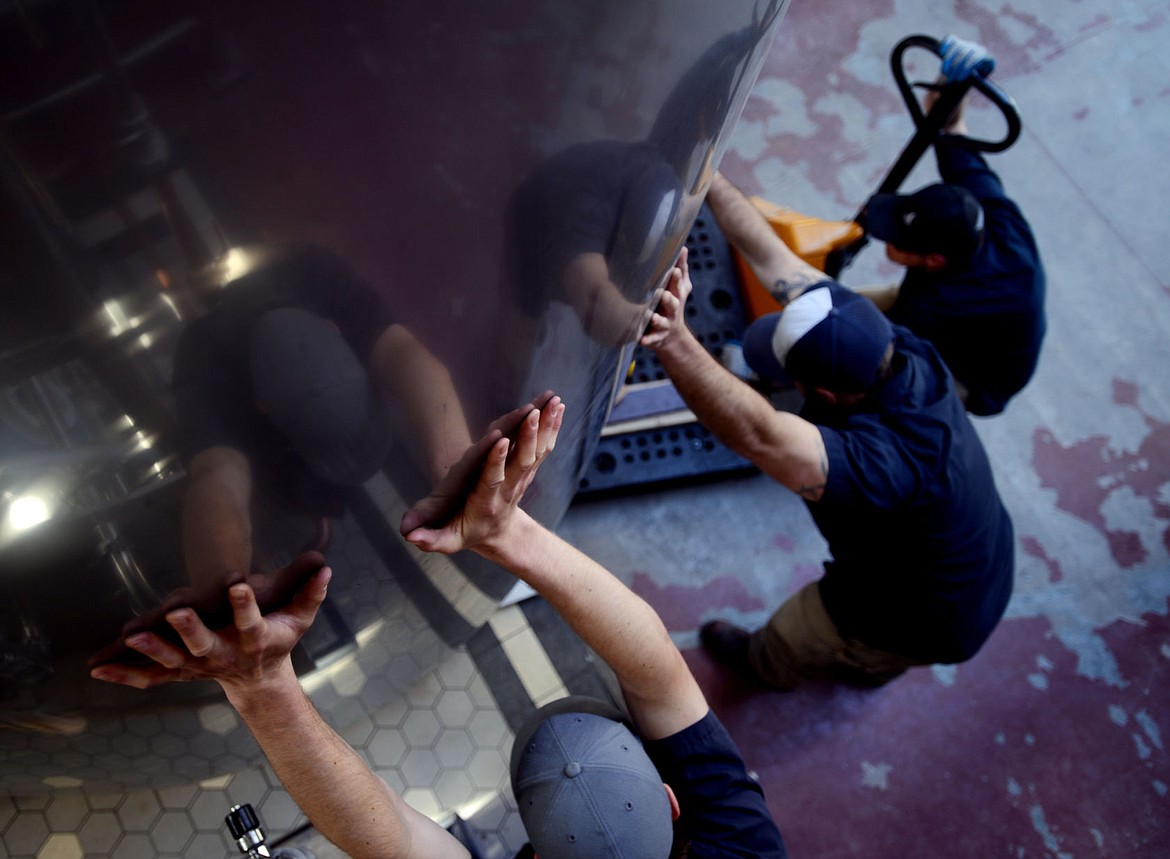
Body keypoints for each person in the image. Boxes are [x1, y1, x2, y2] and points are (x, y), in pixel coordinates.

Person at [91, 397, 788, 859]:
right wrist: (260, 688)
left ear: (673, 802)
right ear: (669, 805)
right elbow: (395, 840)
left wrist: (509, 533)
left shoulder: (746, 846)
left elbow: (659, 672)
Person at [642, 223, 1015, 689]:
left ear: (822, 393)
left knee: (796, 635)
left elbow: (760, 435)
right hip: (980, 556)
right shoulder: (904, 354)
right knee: (880, 643)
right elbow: (776, 260)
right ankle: (872, 662)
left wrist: (673, 340)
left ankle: (777, 666)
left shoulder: (884, 463)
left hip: (927, 613)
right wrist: (710, 176)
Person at [858, 35, 1046, 416]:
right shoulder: (988, 209)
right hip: (970, 320)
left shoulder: (933, 308)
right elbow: (949, 124)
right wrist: (954, 81)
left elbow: (863, 342)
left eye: (897, 240)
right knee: (824, 305)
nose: (886, 241)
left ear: (932, 261)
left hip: (974, 379)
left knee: (853, 367)